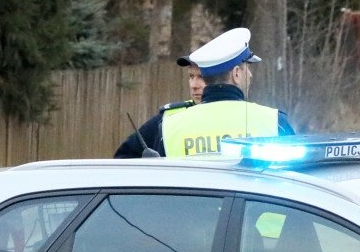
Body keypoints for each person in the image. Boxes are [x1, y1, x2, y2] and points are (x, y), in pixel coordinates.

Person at [120, 28, 294, 158]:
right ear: (236, 73)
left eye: (199, 77)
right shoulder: (272, 122)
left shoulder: (169, 128)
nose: (250, 74)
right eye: (247, 68)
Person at [112, 56, 207, 158]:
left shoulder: (225, 114)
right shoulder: (169, 117)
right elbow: (124, 157)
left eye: (202, 77)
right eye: (191, 76)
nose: (194, 85)